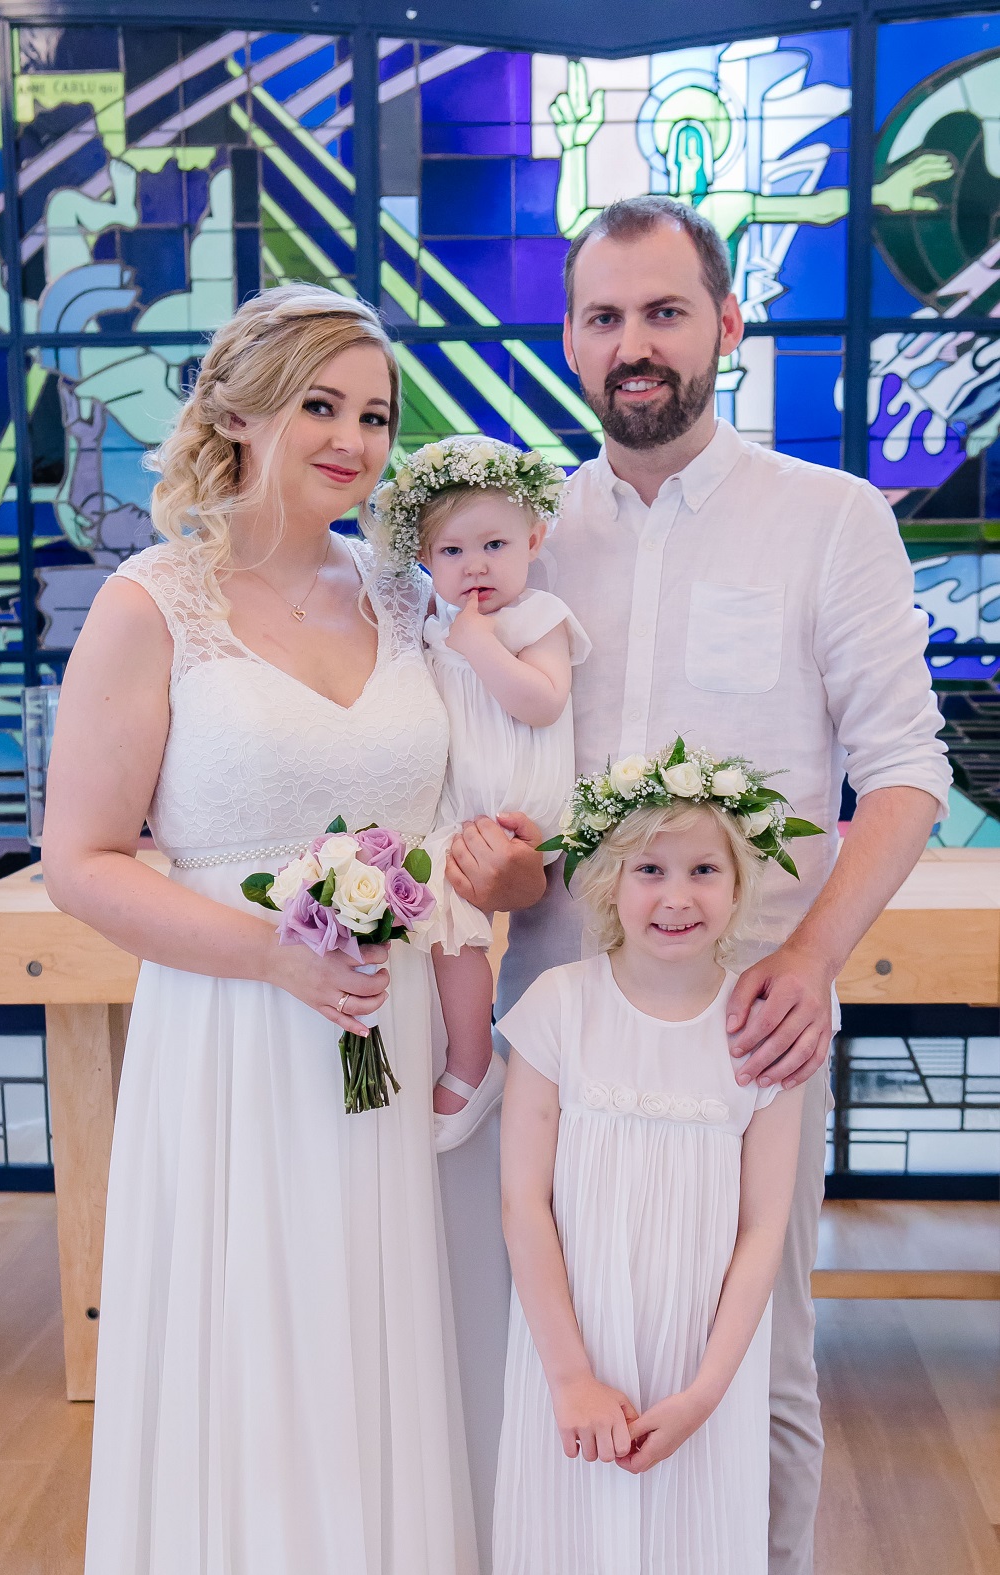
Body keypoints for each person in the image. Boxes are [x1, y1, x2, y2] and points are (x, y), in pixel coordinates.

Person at [446, 195, 951, 1575]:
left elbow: (904, 768)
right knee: (544, 1345)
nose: (634, 345)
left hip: (751, 1022)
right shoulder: (525, 538)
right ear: (566, 339)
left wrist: (812, 959)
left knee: (759, 1368)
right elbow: (496, 762)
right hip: (556, 1009)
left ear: (726, 323)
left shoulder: (828, 519)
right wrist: (495, 864)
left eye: (664, 311)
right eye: (603, 317)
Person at [41, 283, 478, 1575]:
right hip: (234, 1026)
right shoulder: (152, 602)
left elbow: (457, 811)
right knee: (255, 1328)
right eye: (319, 404)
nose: (352, 436)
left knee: (377, 1323)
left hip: (387, 1027)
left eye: (375, 414)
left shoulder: (410, 597)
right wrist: (271, 956)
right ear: (237, 410)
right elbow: (80, 861)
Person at [494, 747, 811, 1574]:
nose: (677, 895)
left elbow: (762, 1227)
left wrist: (706, 1393)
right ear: (609, 881)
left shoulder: (761, 1026)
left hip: (700, 1376)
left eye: (705, 867)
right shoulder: (559, 1009)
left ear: (740, 884)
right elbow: (523, 1204)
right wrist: (570, 1376)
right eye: (650, 868)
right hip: (574, 1357)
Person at [371, 436, 589, 1151]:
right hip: (459, 809)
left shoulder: (536, 619)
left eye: (495, 543)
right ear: (426, 561)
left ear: (536, 537)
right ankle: (466, 1050)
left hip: (519, 809)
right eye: (453, 552)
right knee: (443, 929)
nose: (476, 566)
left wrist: (481, 645)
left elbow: (543, 702)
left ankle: (471, 1060)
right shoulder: (438, 628)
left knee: (451, 919)